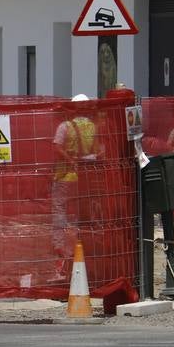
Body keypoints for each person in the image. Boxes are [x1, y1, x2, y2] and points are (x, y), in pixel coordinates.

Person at [52, 94, 102, 275]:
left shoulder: (65, 126)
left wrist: (70, 159)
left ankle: (61, 250)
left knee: (60, 213)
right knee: (81, 214)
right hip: (84, 178)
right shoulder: (92, 127)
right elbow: (97, 151)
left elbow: (57, 147)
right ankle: (83, 247)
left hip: (65, 177)